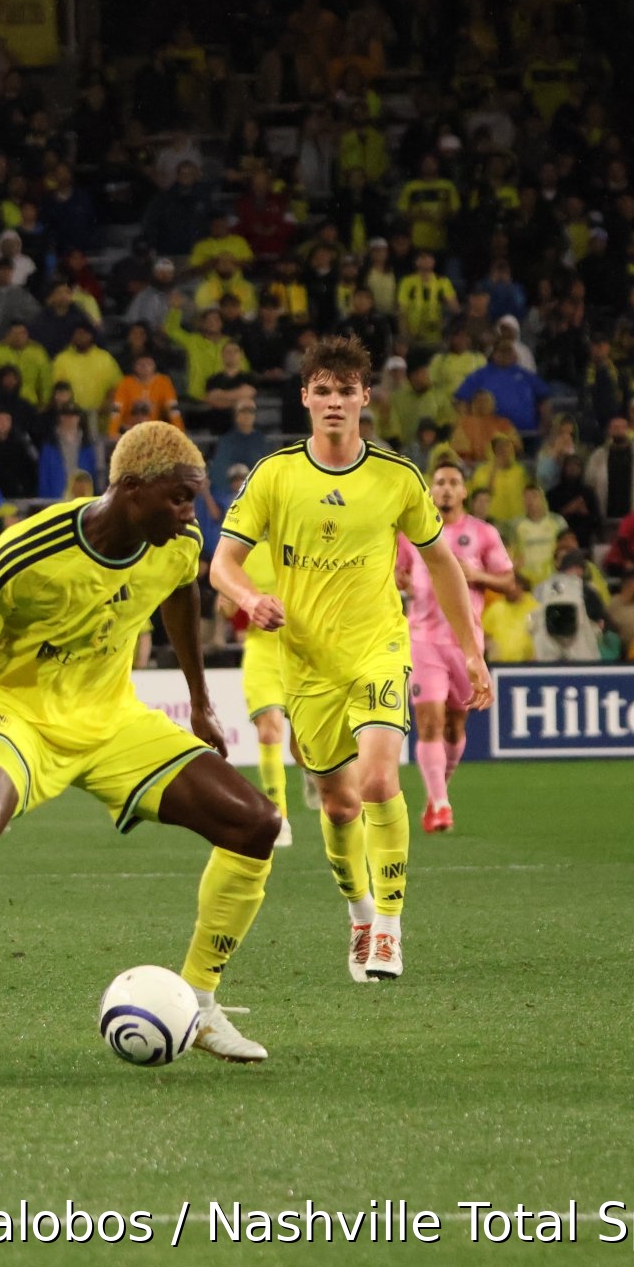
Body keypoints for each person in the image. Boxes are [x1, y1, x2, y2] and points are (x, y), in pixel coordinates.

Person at [0, 422, 282, 1084]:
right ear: (130, 489)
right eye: (177, 498)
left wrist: (198, 699)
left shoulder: (176, 539)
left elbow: (180, 597)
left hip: (111, 719)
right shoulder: (31, 548)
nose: (190, 514)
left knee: (257, 823)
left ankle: (198, 1001)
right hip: (16, 712)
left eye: (193, 500)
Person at [210, 336, 490, 984]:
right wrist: (253, 597)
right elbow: (222, 565)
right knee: (338, 805)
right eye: (323, 390)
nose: (335, 401)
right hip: (306, 663)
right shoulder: (276, 474)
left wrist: (471, 651)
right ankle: (360, 912)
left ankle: (389, 927)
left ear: (366, 397)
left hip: (379, 648)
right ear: (306, 396)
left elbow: (441, 560)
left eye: (346, 391)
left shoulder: (397, 477)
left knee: (379, 781)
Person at [396, 460, 517, 834]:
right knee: (429, 722)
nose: (446, 489)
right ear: (431, 491)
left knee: (455, 725)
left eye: (453, 483)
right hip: (422, 640)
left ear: (464, 491)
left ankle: (438, 792)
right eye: (440, 483)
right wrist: (403, 582)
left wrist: (477, 574)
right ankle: (442, 805)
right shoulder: (412, 533)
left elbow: (509, 581)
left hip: (465, 643)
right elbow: (394, 570)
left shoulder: (482, 534)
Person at [217, 540, 295, 843]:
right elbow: (228, 609)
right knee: (269, 732)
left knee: (304, 747)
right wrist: (228, 601)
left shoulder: (297, 538)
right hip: (261, 651)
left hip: (301, 650)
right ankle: (279, 817)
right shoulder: (240, 550)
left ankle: (312, 774)